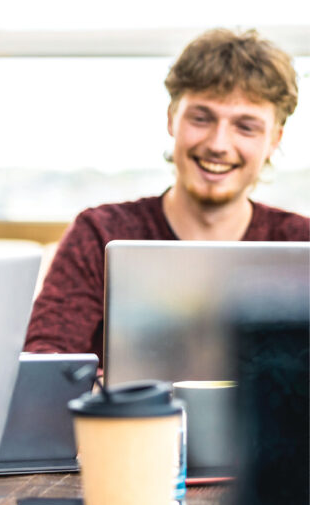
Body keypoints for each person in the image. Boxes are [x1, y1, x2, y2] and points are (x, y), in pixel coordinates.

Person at [25, 28, 310, 364]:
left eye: (245, 126)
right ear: (172, 119)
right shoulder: (99, 233)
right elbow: (44, 360)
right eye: (201, 118)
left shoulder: (301, 243)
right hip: (126, 419)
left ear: (274, 139)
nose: (218, 144)